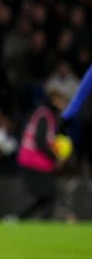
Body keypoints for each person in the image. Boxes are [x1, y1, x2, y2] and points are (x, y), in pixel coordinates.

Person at [11, 73, 78, 221]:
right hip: (34, 161)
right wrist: (55, 157)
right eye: (62, 100)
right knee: (49, 194)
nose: (64, 104)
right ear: (54, 99)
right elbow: (41, 141)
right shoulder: (45, 115)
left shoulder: (45, 114)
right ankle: (41, 222)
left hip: (32, 160)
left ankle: (17, 219)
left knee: (45, 196)